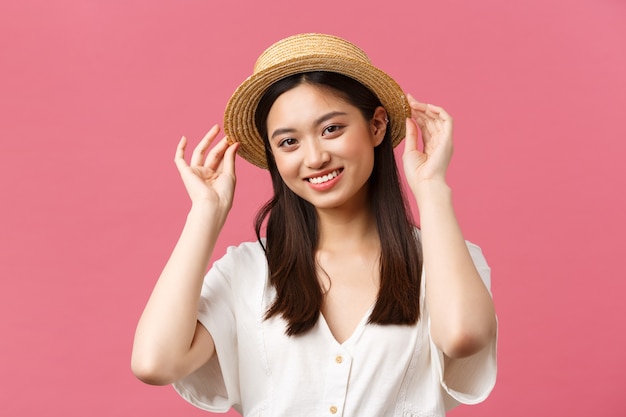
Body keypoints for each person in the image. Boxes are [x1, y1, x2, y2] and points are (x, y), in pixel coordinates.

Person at [131, 33, 497, 417]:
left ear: (376, 126)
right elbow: (155, 363)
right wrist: (206, 211)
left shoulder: (447, 260)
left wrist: (432, 188)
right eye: (289, 142)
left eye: (331, 129)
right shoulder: (248, 271)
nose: (315, 157)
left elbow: (462, 337)